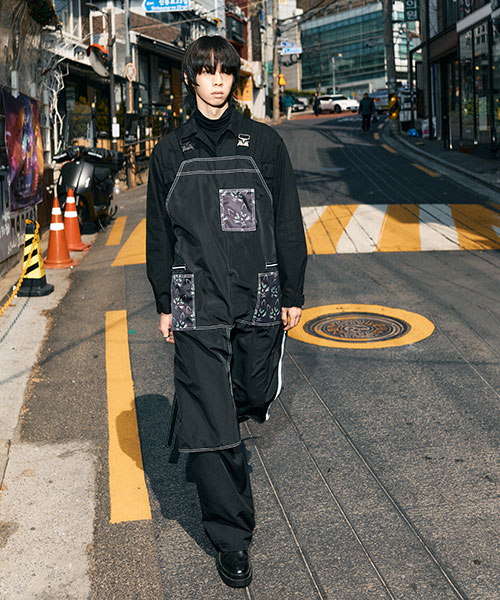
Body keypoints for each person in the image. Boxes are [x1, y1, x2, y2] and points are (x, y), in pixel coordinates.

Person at [146, 36, 307, 589]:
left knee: (253, 393)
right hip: (195, 297)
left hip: (258, 290)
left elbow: (287, 221)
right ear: (191, 79)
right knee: (212, 419)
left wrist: (292, 292)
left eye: (224, 72)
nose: (216, 81)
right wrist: (164, 303)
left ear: (234, 79)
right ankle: (231, 535)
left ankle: (211, 414)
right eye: (206, 72)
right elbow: (160, 236)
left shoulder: (263, 144)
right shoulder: (171, 152)